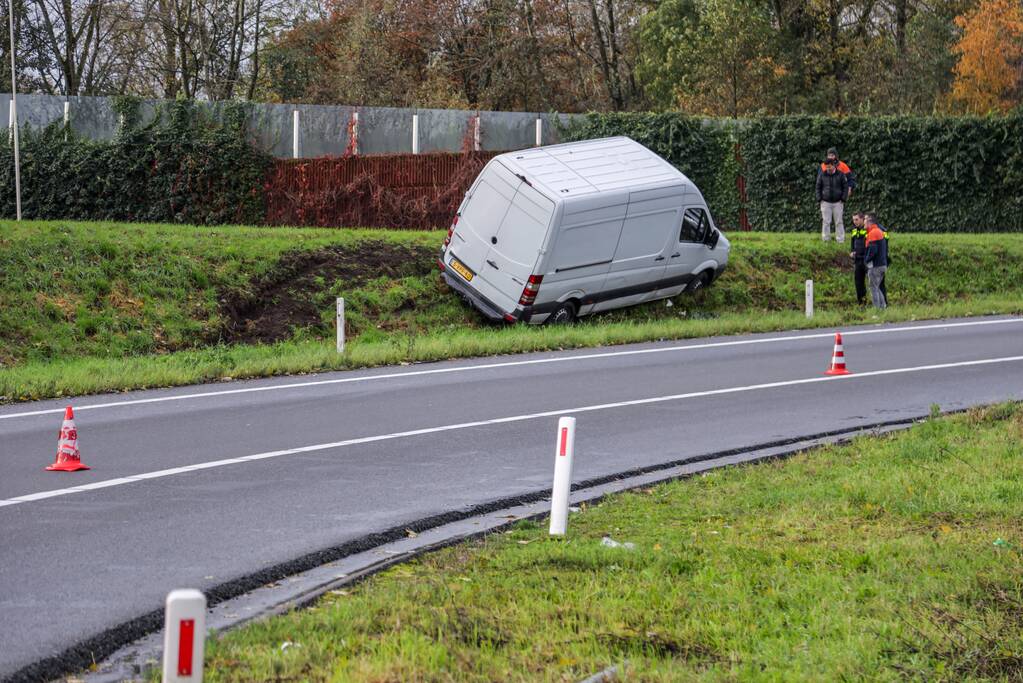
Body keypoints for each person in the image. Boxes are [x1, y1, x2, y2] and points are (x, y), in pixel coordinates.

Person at [816, 158, 848, 242]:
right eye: (826, 167)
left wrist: (843, 199)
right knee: (826, 222)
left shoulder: (841, 175)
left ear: (834, 165)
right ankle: (826, 239)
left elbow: (845, 187)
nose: (828, 169)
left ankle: (840, 240)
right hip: (825, 202)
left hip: (838, 202)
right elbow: (818, 187)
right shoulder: (822, 175)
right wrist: (819, 199)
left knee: (839, 222)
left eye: (829, 167)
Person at [864, 216, 889, 309]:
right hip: (882, 264)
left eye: (865, 219)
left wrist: (866, 260)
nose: (864, 221)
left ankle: (877, 310)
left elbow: (873, 251)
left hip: (875, 266)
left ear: (870, 222)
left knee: (873, 288)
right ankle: (883, 307)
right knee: (877, 287)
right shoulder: (878, 231)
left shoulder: (873, 233)